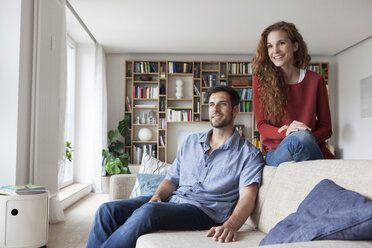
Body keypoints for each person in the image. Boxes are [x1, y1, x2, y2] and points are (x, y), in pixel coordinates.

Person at [87, 86, 264, 248]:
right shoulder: (191, 142)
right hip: (175, 200)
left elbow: (247, 197)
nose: (215, 109)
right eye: (211, 104)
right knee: (107, 210)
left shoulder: (248, 154)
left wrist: (231, 225)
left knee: (149, 211)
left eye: (222, 104)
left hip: (204, 212)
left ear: (235, 110)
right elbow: (172, 179)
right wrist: (157, 196)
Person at [252, 21, 335, 167]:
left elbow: (326, 129)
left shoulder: (316, 80)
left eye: (281, 43)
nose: (275, 50)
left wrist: (304, 136)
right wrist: (287, 133)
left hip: (311, 146)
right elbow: (261, 125)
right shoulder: (260, 81)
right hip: (278, 152)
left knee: (301, 139)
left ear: (295, 46)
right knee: (299, 139)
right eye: (270, 46)